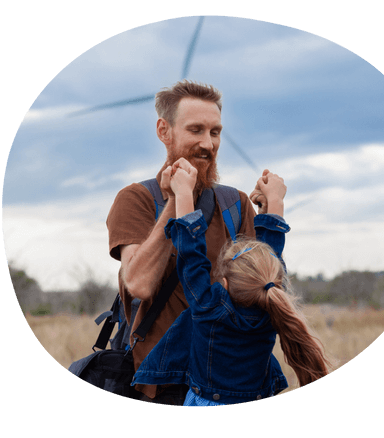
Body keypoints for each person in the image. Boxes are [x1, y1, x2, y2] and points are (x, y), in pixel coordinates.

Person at [106, 80, 265, 404]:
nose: (208, 143)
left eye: (216, 132)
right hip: (160, 384)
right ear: (164, 131)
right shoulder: (137, 199)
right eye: (196, 130)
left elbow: (259, 294)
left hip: (229, 381)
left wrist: (271, 212)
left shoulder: (236, 203)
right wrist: (174, 203)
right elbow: (139, 284)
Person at [132, 163, 330, 406]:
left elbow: (191, 256)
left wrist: (182, 194)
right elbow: (270, 260)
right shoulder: (273, 306)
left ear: (223, 284)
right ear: (273, 279)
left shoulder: (208, 308)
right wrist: (274, 202)